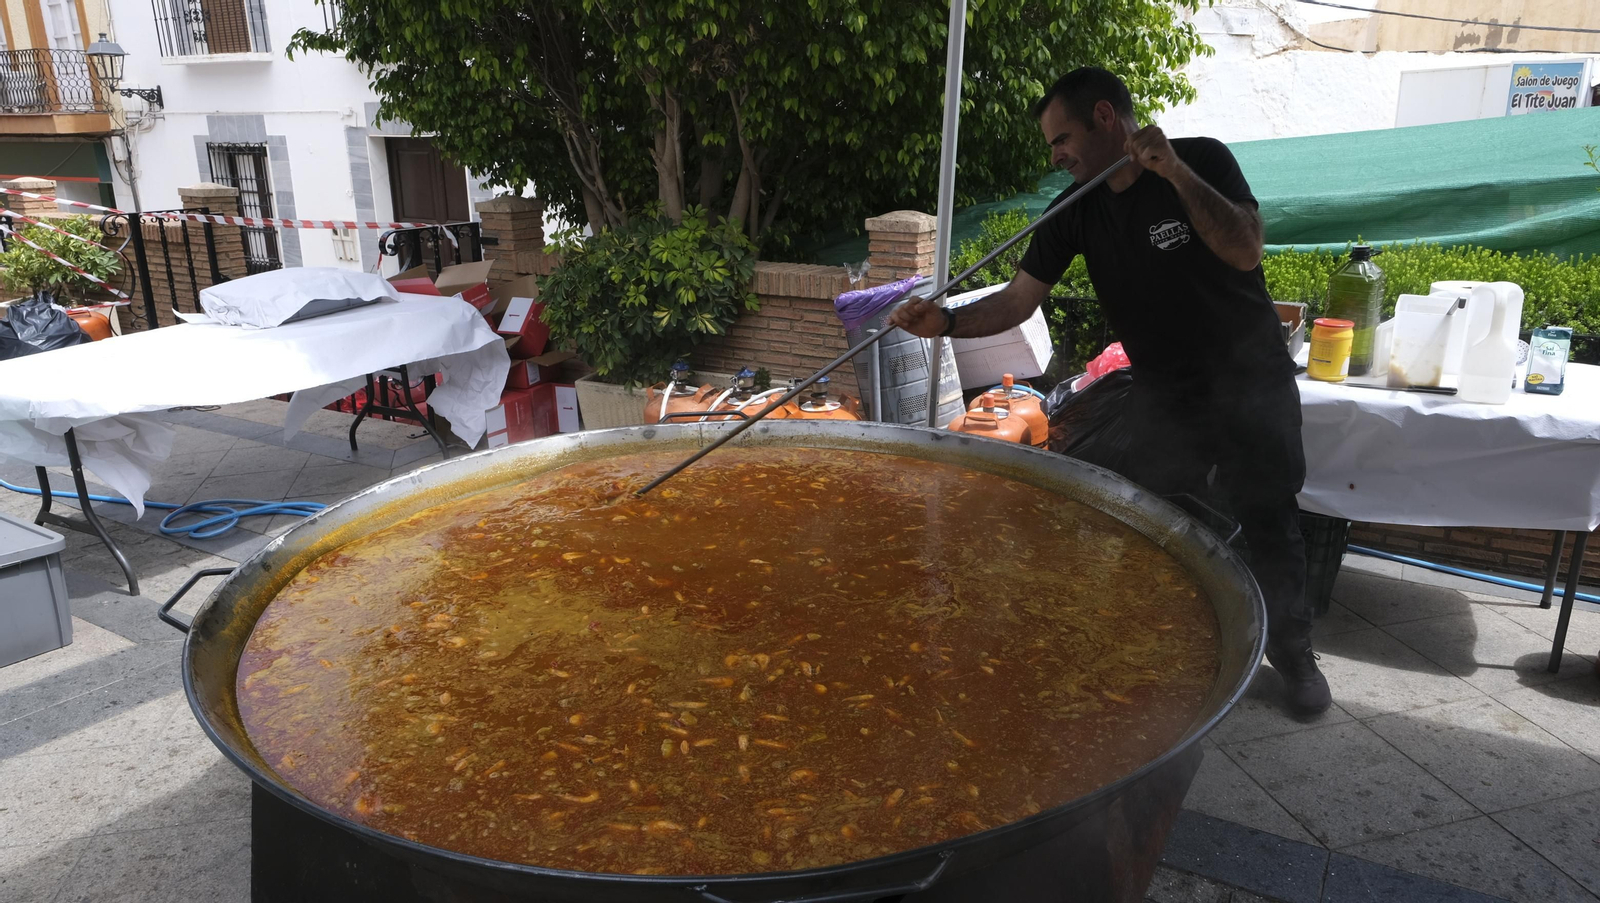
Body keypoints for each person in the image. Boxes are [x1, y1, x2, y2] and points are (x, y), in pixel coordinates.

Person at [890, 67, 1331, 716]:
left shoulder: (1199, 160)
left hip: (1247, 383)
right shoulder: (1075, 210)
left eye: (1061, 138)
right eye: (1050, 146)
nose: (1056, 155)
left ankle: (1294, 661)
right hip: (1162, 396)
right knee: (1146, 519)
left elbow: (1245, 248)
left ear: (1104, 117)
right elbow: (1018, 298)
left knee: (1269, 522)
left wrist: (1175, 173)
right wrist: (948, 321)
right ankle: (1160, 650)